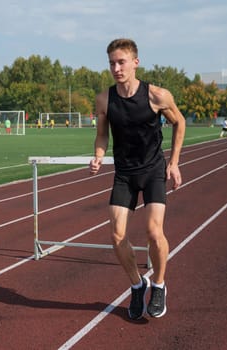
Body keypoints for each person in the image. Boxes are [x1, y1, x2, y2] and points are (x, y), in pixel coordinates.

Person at [89, 38, 185, 320]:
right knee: (117, 236)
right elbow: (102, 133)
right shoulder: (104, 99)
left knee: (154, 232)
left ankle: (158, 285)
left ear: (135, 62)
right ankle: (136, 284)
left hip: (154, 170)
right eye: (111, 63)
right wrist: (97, 154)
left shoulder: (157, 95)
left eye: (121, 62)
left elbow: (179, 122)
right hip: (124, 173)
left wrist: (175, 162)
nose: (116, 68)